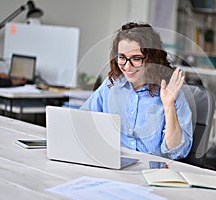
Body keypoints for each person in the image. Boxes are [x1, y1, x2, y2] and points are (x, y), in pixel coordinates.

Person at [80, 22, 193, 160]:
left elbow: (177, 151)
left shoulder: (171, 91)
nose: (127, 66)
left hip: (151, 171)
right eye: (122, 57)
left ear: (151, 58)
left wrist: (169, 105)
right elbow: (83, 120)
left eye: (136, 59)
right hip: (112, 165)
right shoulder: (112, 85)